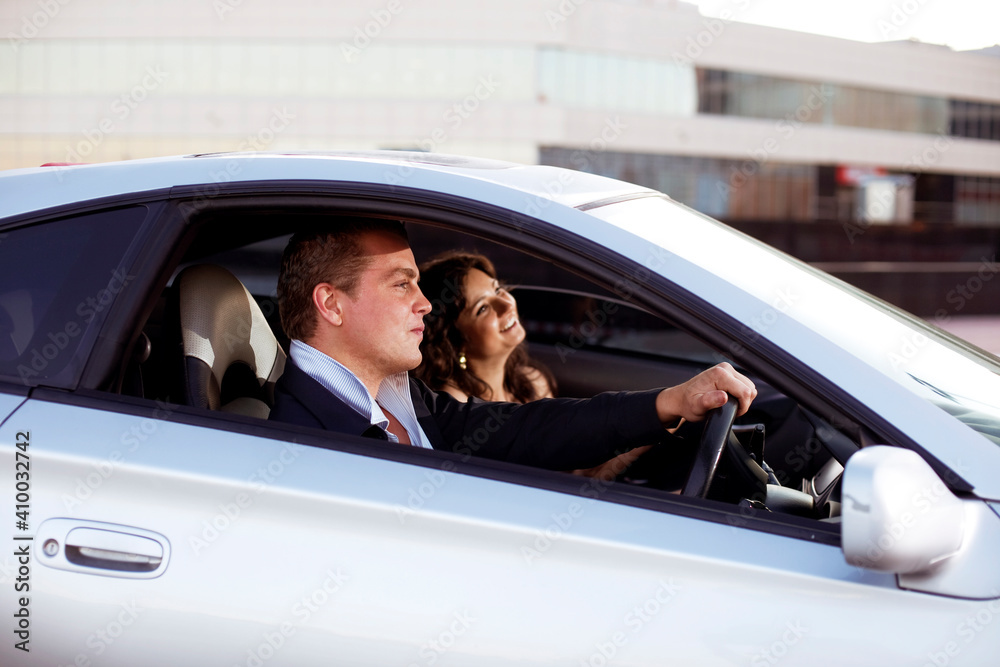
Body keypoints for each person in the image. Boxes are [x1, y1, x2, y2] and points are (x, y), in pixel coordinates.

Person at [268, 220, 757, 472]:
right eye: (402, 285)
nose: (425, 304)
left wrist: (666, 403)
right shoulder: (303, 443)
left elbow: (523, 429)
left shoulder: (398, 397)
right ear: (331, 304)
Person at [413, 251, 554, 404]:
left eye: (498, 290)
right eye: (483, 308)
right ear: (453, 340)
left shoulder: (533, 382)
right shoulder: (456, 404)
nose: (507, 305)